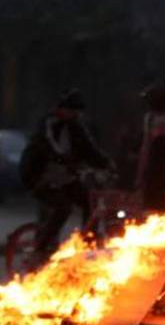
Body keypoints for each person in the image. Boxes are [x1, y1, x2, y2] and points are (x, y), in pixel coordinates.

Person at [19, 89, 111, 257]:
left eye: (77, 112)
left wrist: (106, 164)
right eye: (72, 111)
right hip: (39, 176)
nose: (75, 115)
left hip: (64, 176)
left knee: (89, 202)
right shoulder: (48, 123)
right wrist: (64, 160)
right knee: (63, 207)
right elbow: (49, 145)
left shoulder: (76, 125)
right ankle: (40, 248)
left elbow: (89, 148)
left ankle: (86, 245)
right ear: (62, 109)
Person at [135, 83, 165, 213]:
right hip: (154, 171)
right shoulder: (149, 118)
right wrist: (140, 175)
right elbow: (145, 148)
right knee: (153, 207)